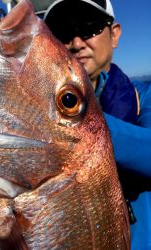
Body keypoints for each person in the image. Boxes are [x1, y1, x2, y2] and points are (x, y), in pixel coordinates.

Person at [42, 0, 151, 249]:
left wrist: (75, 121)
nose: (76, 43)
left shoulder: (144, 96)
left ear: (114, 34)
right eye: (63, 32)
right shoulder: (37, 108)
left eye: (89, 27)